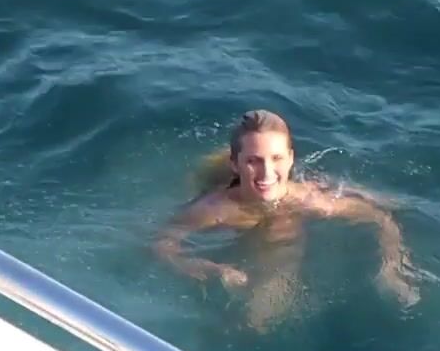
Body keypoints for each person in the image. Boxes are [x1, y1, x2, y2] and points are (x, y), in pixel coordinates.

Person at [154, 109, 420, 328]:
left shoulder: (310, 200)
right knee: (253, 319)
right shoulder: (214, 209)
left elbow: (380, 218)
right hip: (237, 202)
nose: (267, 172)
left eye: (277, 159)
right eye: (254, 161)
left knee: (259, 317)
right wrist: (203, 267)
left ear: (291, 159)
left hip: (287, 213)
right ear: (236, 164)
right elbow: (161, 244)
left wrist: (393, 266)